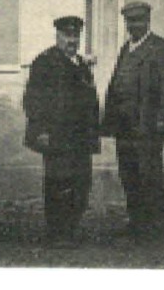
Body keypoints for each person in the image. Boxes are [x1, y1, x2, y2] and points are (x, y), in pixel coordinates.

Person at [101, 1, 164, 237]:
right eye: (130, 22)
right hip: (124, 126)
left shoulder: (160, 48)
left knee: (149, 174)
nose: (134, 26)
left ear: (147, 21)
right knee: (129, 174)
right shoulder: (126, 49)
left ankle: (155, 224)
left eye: (138, 21)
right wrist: (108, 119)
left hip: (147, 125)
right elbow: (116, 84)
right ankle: (136, 220)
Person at [23, 15, 100, 248]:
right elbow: (32, 100)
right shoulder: (45, 62)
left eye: (76, 36)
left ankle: (71, 228)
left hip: (80, 137)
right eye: (67, 35)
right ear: (57, 36)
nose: (72, 40)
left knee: (80, 183)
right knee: (59, 183)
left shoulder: (81, 64)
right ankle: (57, 232)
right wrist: (41, 130)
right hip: (57, 135)